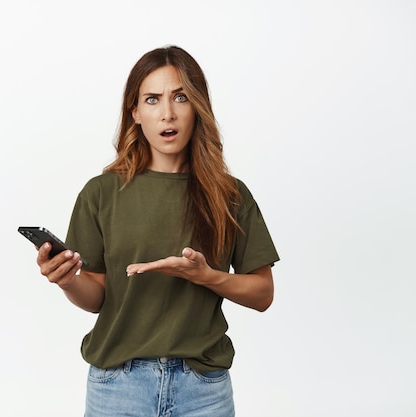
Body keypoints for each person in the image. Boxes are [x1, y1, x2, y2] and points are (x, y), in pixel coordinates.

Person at [35, 45, 279, 417]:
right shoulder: (101, 193)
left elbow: (262, 294)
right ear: (135, 112)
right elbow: (98, 297)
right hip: (118, 386)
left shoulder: (230, 195)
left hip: (203, 389)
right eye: (152, 100)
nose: (168, 113)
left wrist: (206, 276)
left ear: (197, 106)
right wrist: (66, 280)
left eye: (180, 97)